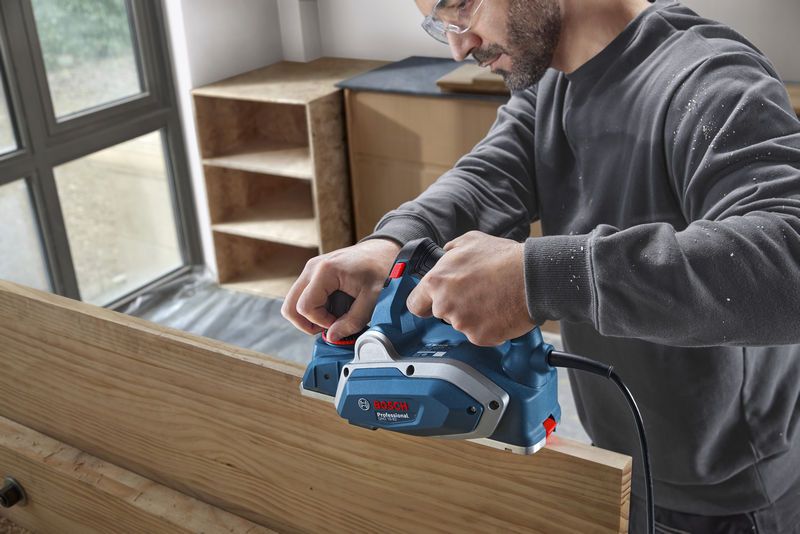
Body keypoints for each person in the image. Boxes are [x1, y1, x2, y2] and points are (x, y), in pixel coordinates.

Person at [282, 0, 800, 531]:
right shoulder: (553, 80)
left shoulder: (709, 79)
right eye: (441, 23)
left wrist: (541, 278)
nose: (459, 45)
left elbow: (789, 259)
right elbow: (488, 177)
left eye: (460, 5)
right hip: (621, 455)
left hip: (730, 500)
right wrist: (390, 245)